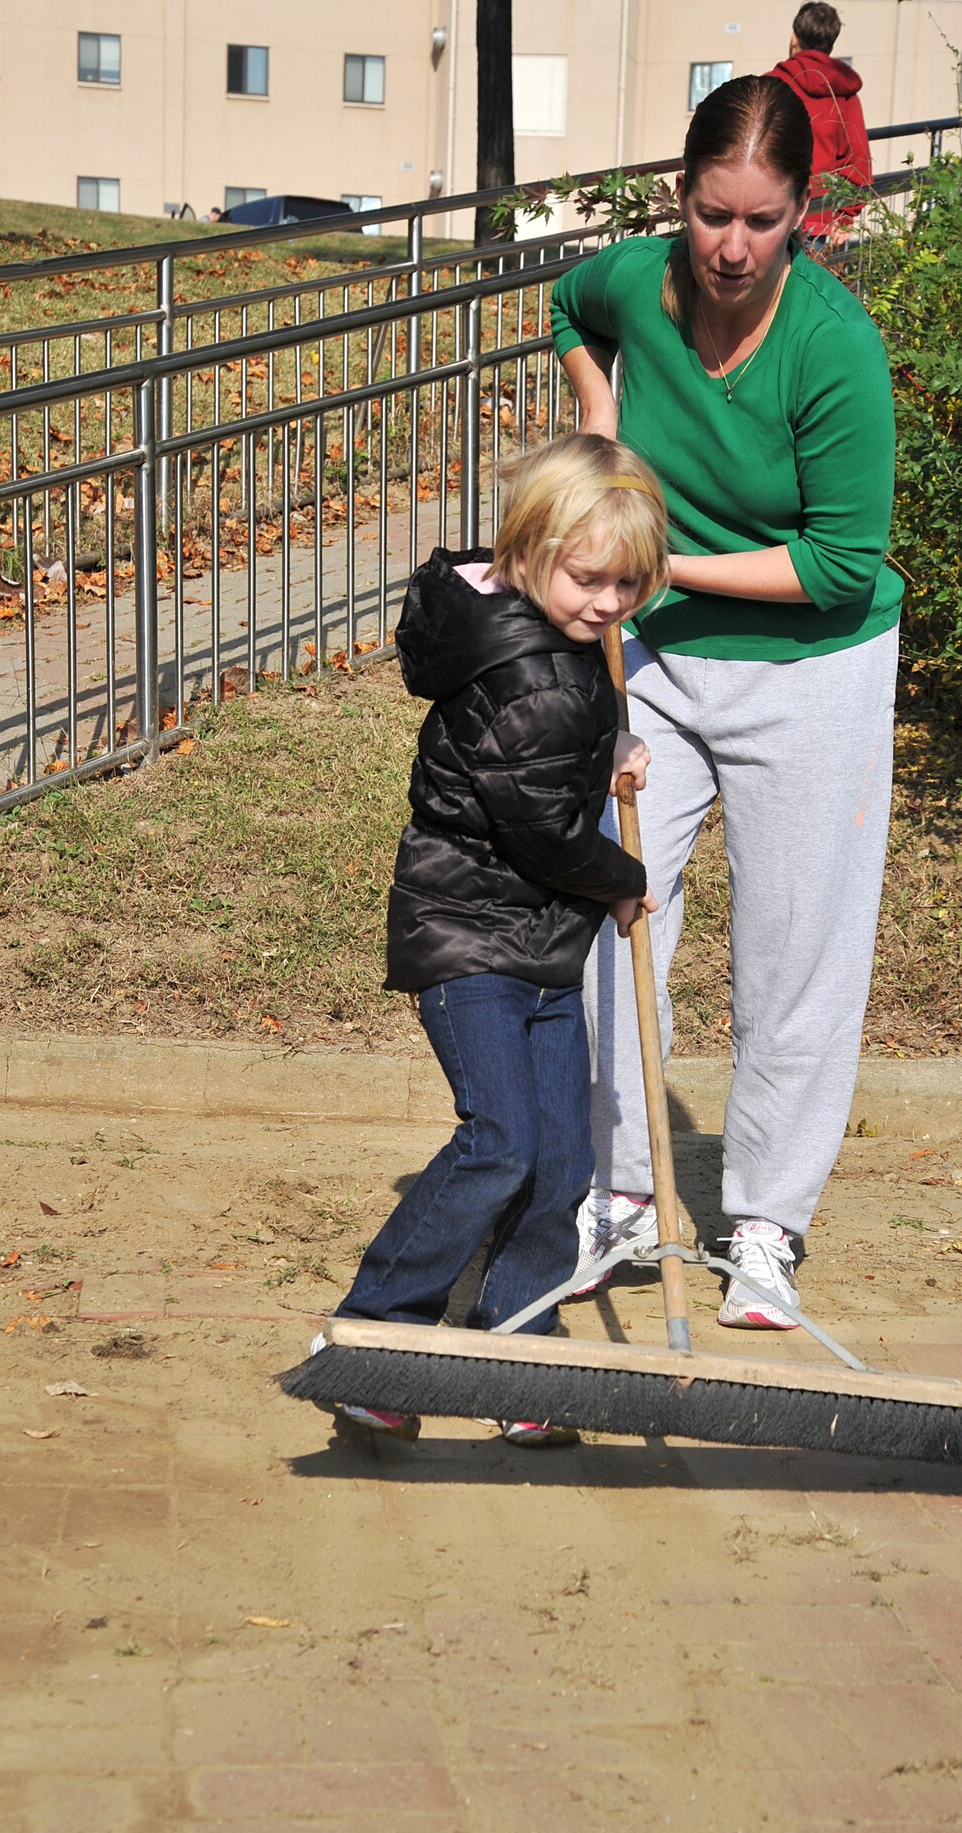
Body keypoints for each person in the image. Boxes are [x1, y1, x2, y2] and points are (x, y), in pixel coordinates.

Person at [548, 73, 902, 1333]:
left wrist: (650, 556)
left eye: (762, 220)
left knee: (797, 949)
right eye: (710, 216)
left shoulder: (830, 346)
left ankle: (760, 1220)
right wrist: (601, 418)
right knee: (617, 907)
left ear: (806, 211)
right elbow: (564, 305)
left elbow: (835, 566)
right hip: (662, 659)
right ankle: (618, 1193)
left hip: (814, 669)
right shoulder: (635, 281)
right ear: (677, 198)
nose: (732, 247)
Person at [330, 432, 667, 1445]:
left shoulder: (539, 638)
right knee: (500, 1142)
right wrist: (624, 880)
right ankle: (373, 1338)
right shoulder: (531, 675)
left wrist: (611, 739)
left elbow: (558, 743)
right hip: (468, 930)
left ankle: (513, 1348)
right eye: (587, 579)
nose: (607, 603)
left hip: (535, 940)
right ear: (526, 550)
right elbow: (541, 829)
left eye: (627, 585)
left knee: (561, 1160)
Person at [768, 3, 873, 239]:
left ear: (794, 37)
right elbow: (858, 163)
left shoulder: (772, 84)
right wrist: (845, 217)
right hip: (821, 220)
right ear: (831, 43)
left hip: (770, 216)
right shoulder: (844, 94)